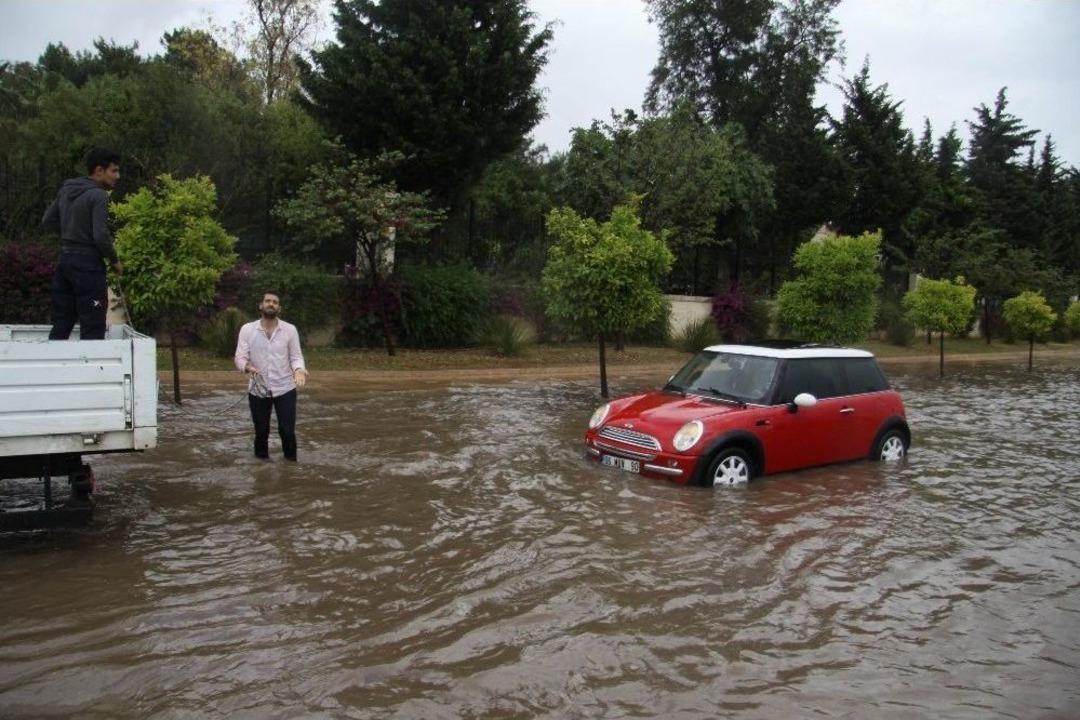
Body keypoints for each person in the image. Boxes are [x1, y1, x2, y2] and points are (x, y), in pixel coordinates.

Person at [42, 147, 123, 340]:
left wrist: (71, 232)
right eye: (114, 170)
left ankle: (53, 368)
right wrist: (114, 260)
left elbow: (47, 221)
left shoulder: (66, 190)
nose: (118, 176)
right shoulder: (99, 195)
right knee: (93, 325)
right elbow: (101, 235)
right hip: (88, 266)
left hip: (65, 261)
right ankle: (92, 371)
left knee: (62, 322)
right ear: (98, 171)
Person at [234, 291, 309, 461]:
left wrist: (299, 370)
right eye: (268, 301)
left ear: (279, 308)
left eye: (275, 302)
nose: (271, 304)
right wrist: (246, 366)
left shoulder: (290, 330)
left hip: (285, 388)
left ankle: (291, 467)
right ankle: (261, 468)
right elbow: (240, 357)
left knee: (287, 431)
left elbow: (296, 356)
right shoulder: (247, 329)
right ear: (261, 305)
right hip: (258, 389)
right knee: (261, 432)